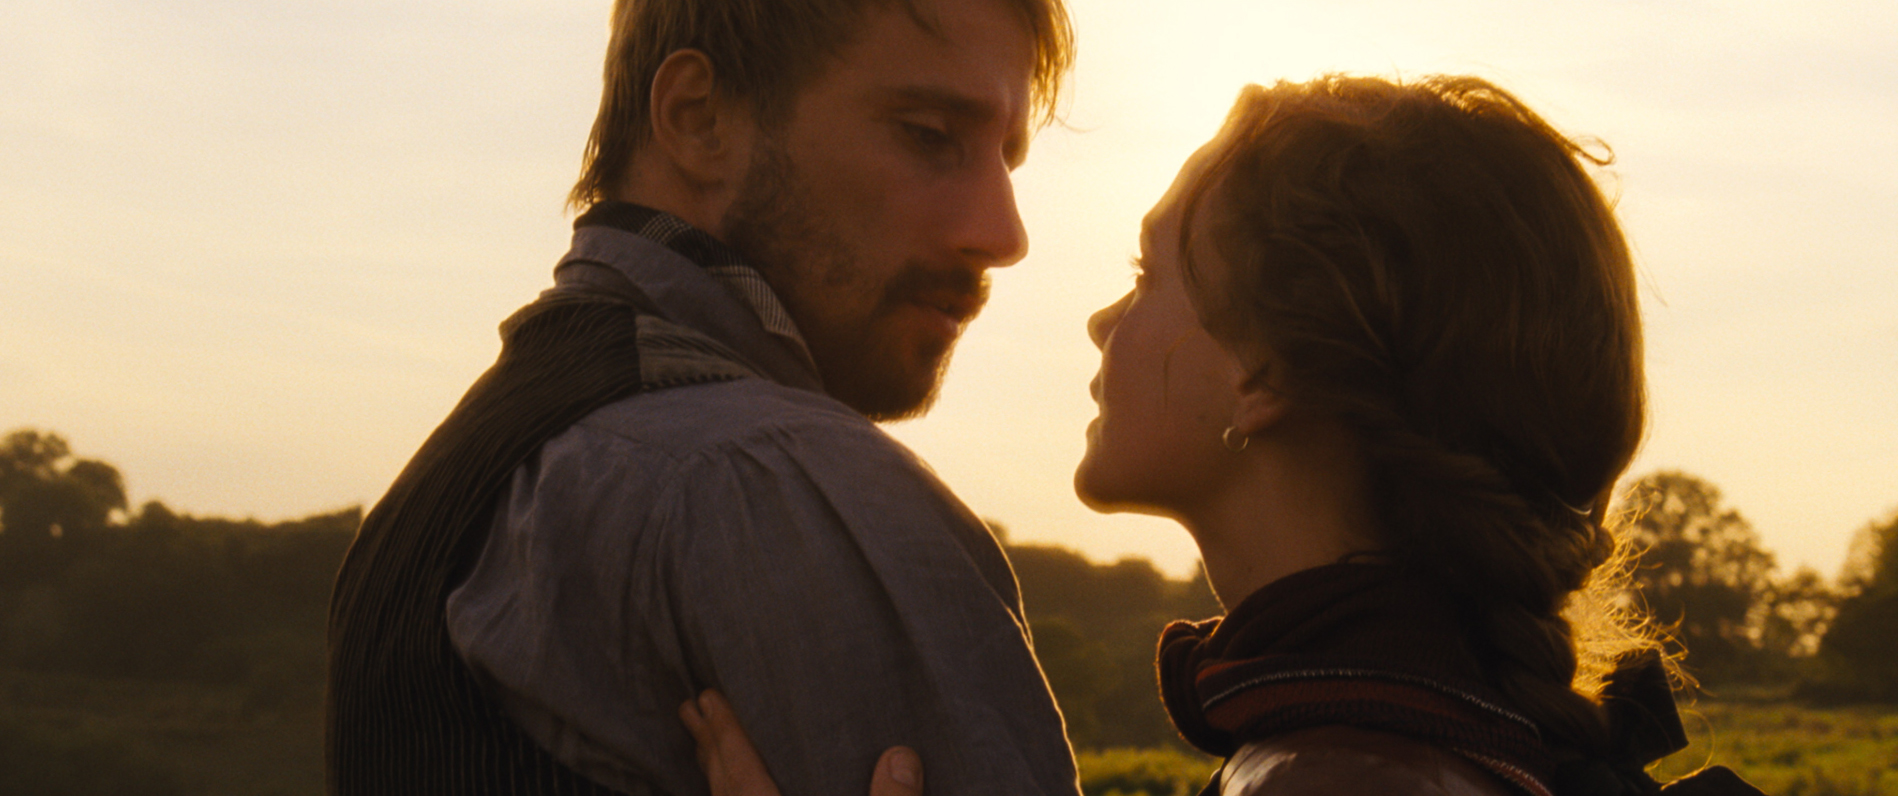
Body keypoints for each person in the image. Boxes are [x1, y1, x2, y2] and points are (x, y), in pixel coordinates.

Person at [682, 75, 1767, 795]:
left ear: (1265, 372)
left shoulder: (1328, 778)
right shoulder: (1427, 744)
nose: (1107, 318)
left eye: (1149, 274)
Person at [324, 0, 1084, 794]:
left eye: (1007, 157)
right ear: (698, 118)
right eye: (929, 136)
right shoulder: (766, 476)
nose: (1003, 234)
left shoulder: (435, 497)